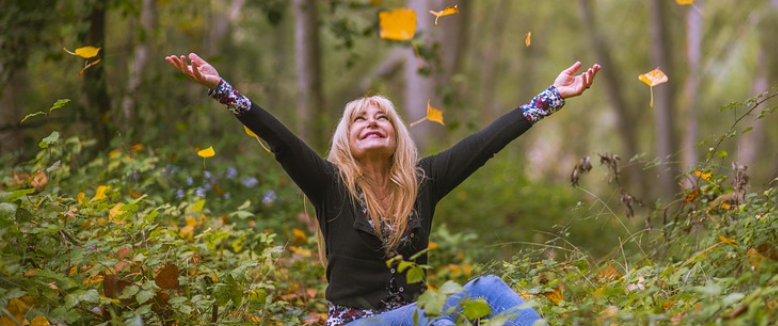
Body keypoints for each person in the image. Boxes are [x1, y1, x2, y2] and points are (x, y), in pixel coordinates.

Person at [165, 53, 600, 326]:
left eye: (382, 117)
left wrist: (551, 97)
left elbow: (483, 144)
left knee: (482, 291)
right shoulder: (330, 186)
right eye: (360, 119)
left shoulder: (424, 182)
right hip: (355, 325)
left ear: (396, 135)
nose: (372, 122)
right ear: (346, 139)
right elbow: (280, 140)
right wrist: (222, 89)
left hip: (414, 318)